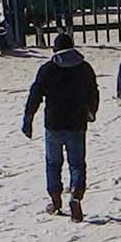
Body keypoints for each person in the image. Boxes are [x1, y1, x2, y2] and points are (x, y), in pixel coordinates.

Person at [27, 37, 101, 219]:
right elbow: (94, 92)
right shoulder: (84, 68)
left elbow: (35, 93)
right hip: (77, 123)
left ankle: (56, 199)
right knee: (77, 163)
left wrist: (28, 117)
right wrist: (92, 111)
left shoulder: (48, 69)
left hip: (53, 124)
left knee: (53, 164)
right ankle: (76, 195)